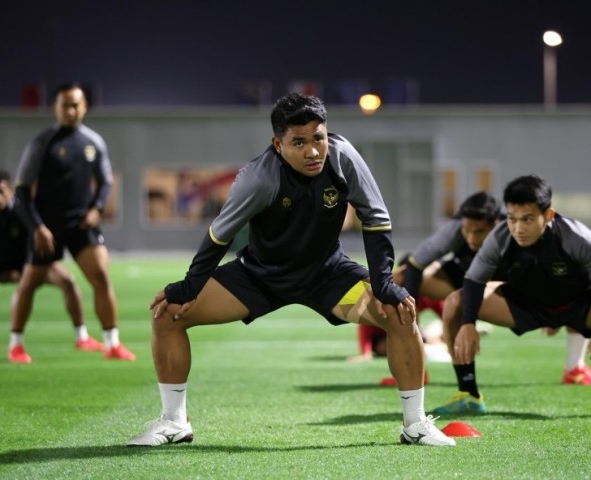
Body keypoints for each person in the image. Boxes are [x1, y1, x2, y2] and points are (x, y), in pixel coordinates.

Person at [127, 93, 454, 447]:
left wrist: (384, 283)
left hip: (327, 275)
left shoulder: (343, 157)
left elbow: (375, 220)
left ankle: (415, 425)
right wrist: (189, 288)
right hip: (260, 277)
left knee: (401, 314)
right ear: (277, 144)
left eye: (318, 138)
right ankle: (174, 423)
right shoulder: (258, 178)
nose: (313, 151)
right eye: (299, 142)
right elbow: (217, 237)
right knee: (168, 315)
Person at [433, 174, 591, 417]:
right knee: (456, 302)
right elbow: (474, 281)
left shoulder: (575, 236)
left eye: (527, 219)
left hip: (581, 305)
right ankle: (468, 395)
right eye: (512, 219)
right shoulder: (500, 237)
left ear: (548, 215)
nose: (518, 228)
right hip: (524, 305)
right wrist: (468, 323)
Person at [353, 192, 591, 387]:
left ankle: (575, 369)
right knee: (400, 278)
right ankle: (416, 370)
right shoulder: (456, 231)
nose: (472, 238)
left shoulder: (520, 234)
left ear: (497, 224)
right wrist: (411, 317)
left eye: (479, 232)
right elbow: (416, 265)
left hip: (513, 286)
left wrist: (552, 307)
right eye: (467, 230)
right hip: (464, 279)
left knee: (575, 288)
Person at [12, 82, 135, 362]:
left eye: (76, 104)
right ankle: (15, 344)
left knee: (102, 277)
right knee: (29, 283)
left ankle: (112, 344)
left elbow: (105, 182)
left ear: (85, 107)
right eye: (65, 104)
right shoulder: (42, 143)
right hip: (47, 227)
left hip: (82, 225)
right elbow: (21, 191)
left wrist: (97, 209)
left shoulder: (94, 142)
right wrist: (37, 228)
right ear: (55, 107)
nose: (70, 110)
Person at [0, 169, 104, 362]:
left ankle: (82, 337)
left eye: (0, 190)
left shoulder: (22, 213)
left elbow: (37, 240)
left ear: (10, 190)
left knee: (68, 282)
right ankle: (15, 346)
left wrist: (24, 270)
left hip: (27, 265)